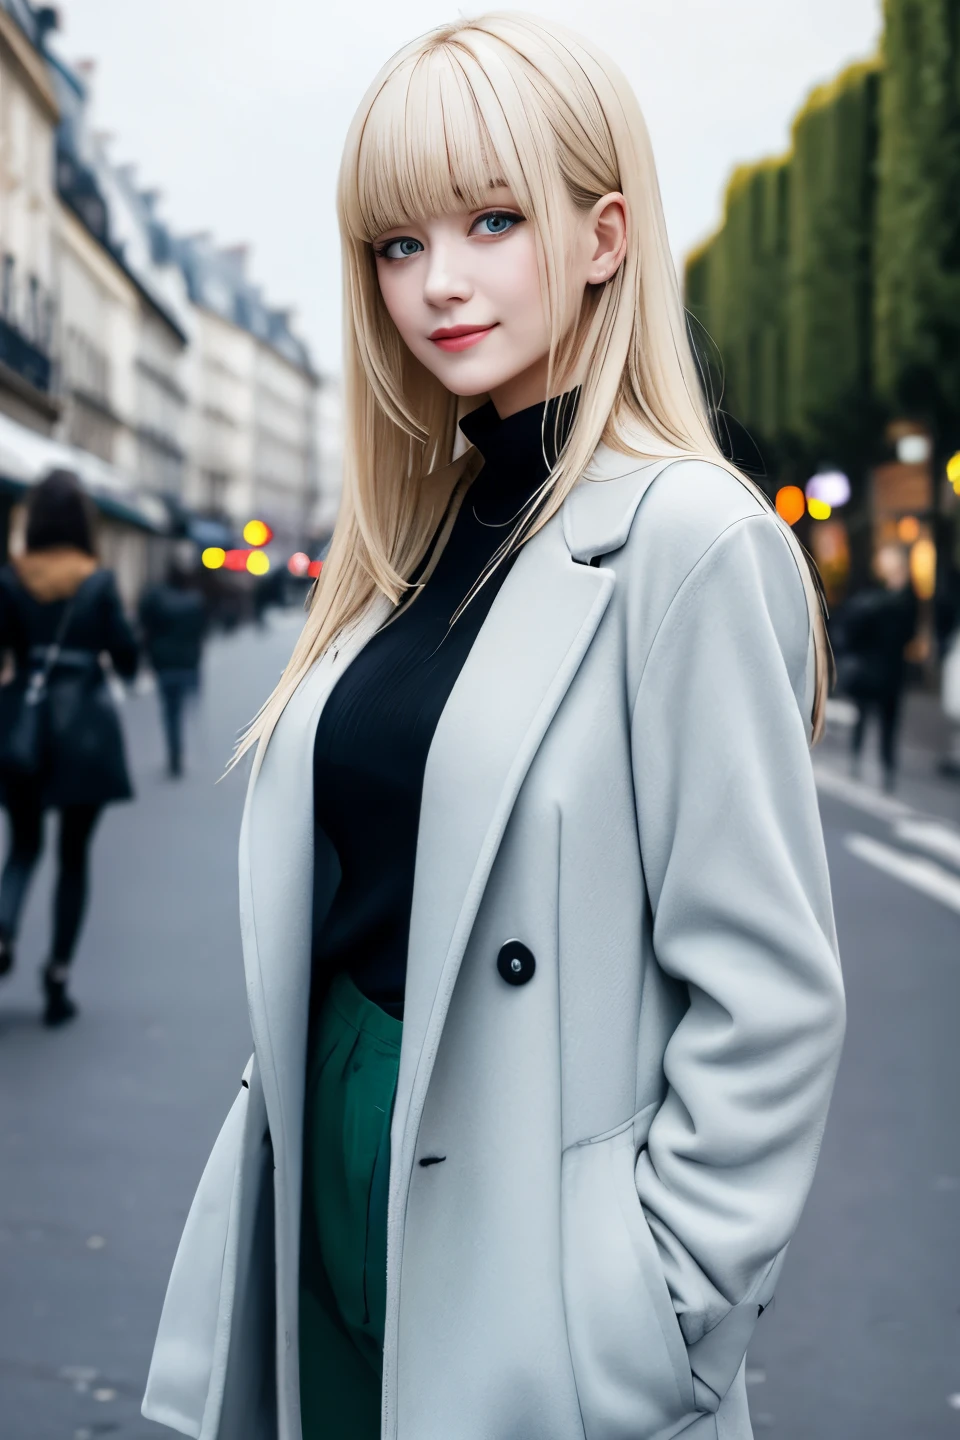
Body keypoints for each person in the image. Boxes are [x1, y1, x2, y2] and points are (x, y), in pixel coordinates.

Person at [143, 16, 846, 1440]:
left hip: (533, 1236)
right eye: (398, 244)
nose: (438, 284)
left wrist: (655, 1308)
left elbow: (770, 999)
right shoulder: (426, 526)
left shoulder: (686, 541)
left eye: (491, 220)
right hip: (330, 1173)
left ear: (604, 235)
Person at [0, 469, 137, 1025]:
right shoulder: (99, 583)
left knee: (23, 845)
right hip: (84, 732)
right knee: (74, 857)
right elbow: (127, 656)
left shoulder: (10, 580)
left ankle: (4, 930)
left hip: (23, 729)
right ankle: (57, 977)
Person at [838, 542, 918, 791]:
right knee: (869, 717)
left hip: (887, 667)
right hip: (879, 665)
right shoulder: (885, 596)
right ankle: (864, 762)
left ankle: (883, 768)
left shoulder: (895, 598)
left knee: (885, 721)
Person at [139, 552, 207, 777]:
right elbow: (201, 632)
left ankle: (174, 754)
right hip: (188, 664)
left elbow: (146, 628)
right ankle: (177, 753)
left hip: (165, 664)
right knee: (181, 709)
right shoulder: (195, 600)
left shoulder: (156, 598)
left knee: (170, 712)